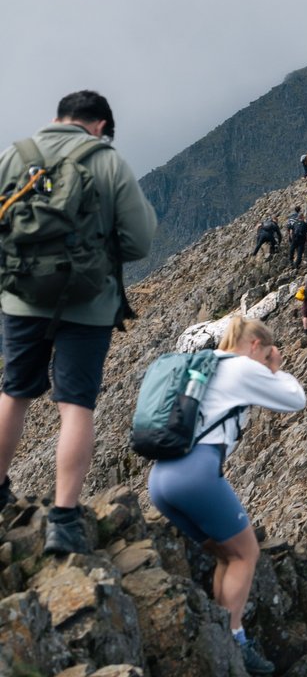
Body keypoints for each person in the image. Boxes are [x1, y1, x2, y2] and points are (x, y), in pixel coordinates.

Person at [0, 90, 158, 551]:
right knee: (76, 406)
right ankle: (65, 518)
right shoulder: (106, 162)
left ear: (57, 119)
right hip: (88, 305)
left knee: (14, 393)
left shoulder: (16, 155)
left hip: (22, 298)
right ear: (101, 127)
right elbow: (140, 241)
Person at [147, 317, 305, 675]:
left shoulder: (204, 364)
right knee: (246, 554)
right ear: (254, 346)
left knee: (225, 554)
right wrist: (275, 366)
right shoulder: (241, 368)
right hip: (196, 474)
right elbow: (296, 399)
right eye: (265, 353)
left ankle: (222, 637)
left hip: (161, 479)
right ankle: (235, 641)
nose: (266, 360)